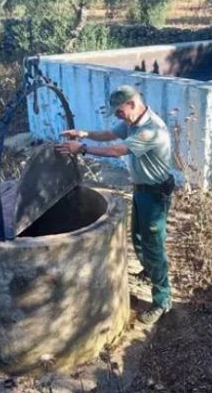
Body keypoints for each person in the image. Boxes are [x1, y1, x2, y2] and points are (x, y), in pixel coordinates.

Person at [55, 85, 175, 324]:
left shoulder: (151, 130)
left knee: (154, 246)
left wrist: (83, 149)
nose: (117, 116)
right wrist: (83, 134)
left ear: (132, 103)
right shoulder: (132, 122)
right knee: (138, 237)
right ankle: (149, 270)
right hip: (141, 190)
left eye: (119, 111)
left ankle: (163, 300)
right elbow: (109, 135)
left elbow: (116, 149)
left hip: (155, 194)